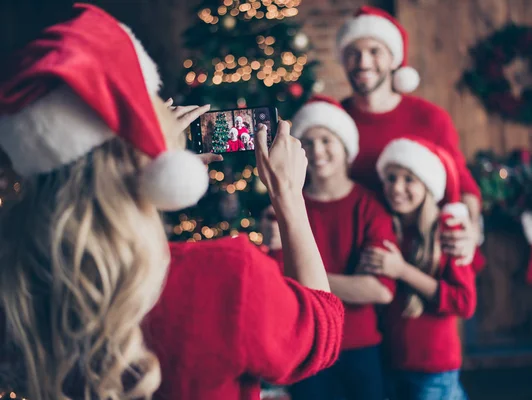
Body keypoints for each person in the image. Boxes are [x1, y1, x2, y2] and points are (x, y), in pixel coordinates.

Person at [0, 4, 343, 400]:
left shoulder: (16, 280)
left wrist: (138, 184)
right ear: (154, 167)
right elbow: (324, 331)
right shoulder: (226, 277)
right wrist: (288, 195)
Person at [264, 95, 395, 400]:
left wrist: (308, 280)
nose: (317, 150)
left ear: (346, 147)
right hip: (309, 345)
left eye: (326, 140)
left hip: (361, 346)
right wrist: (347, 284)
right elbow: (279, 284)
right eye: (308, 142)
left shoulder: (369, 207)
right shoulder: (285, 207)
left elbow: (380, 290)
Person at [337, 6, 482, 267]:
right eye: (353, 53)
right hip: (362, 264)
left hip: (427, 262)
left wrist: (470, 231)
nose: (363, 62)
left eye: (374, 51)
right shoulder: (333, 121)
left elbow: (464, 186)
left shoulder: (430, 118)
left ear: (394, 59)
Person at [358, 137, 477, 400]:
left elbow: (464, 302)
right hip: (391, 362)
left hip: (432, 368)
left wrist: (401, 271)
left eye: (409, 179)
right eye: (391, 178)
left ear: (427, 185)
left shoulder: (448, 231)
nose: (397, 188)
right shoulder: (383, 227)